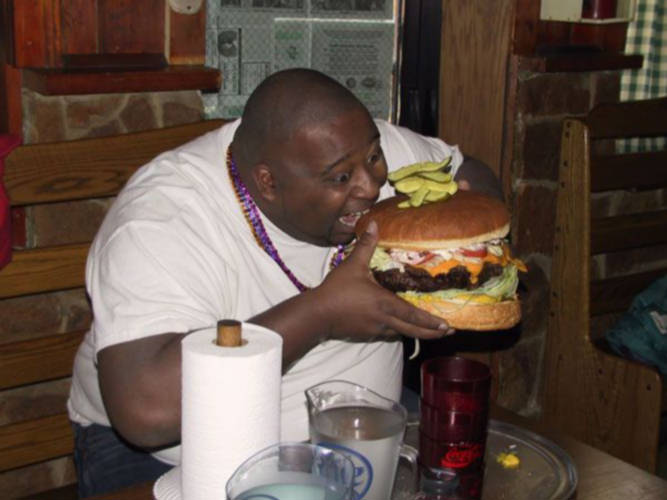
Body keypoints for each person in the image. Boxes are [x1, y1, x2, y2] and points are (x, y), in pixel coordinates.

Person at [67, 68, 502, 497]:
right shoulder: (165, 216)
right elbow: (145, 411)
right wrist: (322, 313)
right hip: (176, 459)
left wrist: (452, 237)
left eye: (373, 157)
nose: (371, 186)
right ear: (268, 182)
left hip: (363, 432)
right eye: (340, 178)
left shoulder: (353, 147)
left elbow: (477, 180)